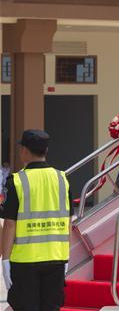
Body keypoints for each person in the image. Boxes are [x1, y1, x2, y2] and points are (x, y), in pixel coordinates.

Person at [1, 130, 73, 311]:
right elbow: (68, 221)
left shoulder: (16, 181)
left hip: (25, 261)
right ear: (46, 150)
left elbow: (9, 224)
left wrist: (5, 260)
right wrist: (66, 255)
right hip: (56, 257)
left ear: (24, 151)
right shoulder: (62, 179)